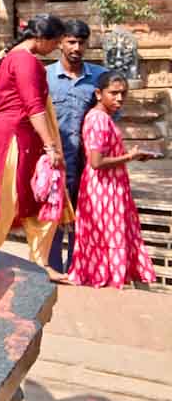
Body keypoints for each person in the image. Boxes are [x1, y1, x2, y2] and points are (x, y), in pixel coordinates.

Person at [0, 14, 74, 271]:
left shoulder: (9, 56)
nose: (56, 48)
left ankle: (39, 265)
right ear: (40, 38)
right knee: (1, 207)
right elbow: (34, 107)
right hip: (11, 142)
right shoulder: (25, 61)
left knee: (40, 203)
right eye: (55, 42)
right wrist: (51, 147)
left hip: (9, 139)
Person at [66, 72, 158, 288]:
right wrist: (130, 157)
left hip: (109, 187)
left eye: (123, 94)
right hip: (103, 190)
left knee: (109, 237)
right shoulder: (98, 119)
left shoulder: (102, 117)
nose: (119, 98)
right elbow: (96, 162)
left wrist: (133, 156)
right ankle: (108, 283)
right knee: (108, 238)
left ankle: (109, 280)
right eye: (114, 93)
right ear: (99, 94)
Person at [46, 19, 108, 273]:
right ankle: (51, 269)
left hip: (87, 164)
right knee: (52, 216)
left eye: (81, 43)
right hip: (55, 162)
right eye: (71, 42)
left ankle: (77, 269)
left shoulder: (99, 77)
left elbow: (108, 117)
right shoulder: (45, 77)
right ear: (60, 43)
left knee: (82, 218)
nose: (76, 48)